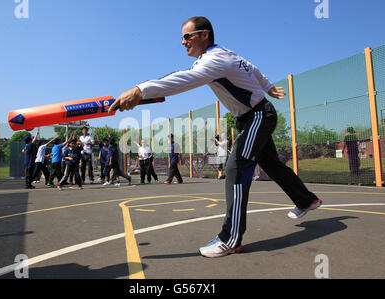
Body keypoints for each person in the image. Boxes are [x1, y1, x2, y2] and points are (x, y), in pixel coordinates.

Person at [109, 16, 322, 258]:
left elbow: (180, 80)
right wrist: (267, 85)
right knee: (271, 164)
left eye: (187, 36)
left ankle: (231, 239)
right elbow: (253, 69)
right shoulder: (221, 54)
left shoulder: (214, 60)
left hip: (258, 116)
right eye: (182, 37)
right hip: (253, 116)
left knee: (236, 167)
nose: (183, 42)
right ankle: (306, 200)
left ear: (204, 35)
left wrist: (139, 90)